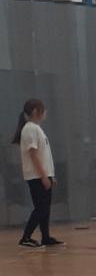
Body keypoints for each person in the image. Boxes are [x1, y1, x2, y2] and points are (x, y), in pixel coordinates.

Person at [12, 99, 63, 248]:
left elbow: (43, 155)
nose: (45, 112)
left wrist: (50, 175)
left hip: (42, 175)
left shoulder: (36, 128)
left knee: (45, 208)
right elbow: (33, 154)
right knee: (41, 208)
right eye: (43, 109)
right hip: (36, 176)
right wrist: (43, 176)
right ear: (35, 111)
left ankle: (45, 237)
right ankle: (26, 238)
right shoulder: (30, 129)